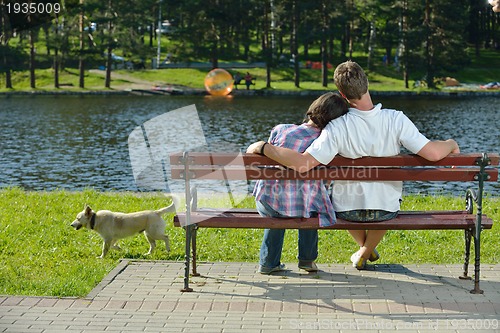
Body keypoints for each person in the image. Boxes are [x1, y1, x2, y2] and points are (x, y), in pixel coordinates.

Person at [247, 60, 460, 270]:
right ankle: (365, 251)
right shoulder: (396, 119)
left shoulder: (337, 126)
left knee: (342, 197)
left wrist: (265, 148)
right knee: (387, 199)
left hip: (346, 211)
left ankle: (364, 250)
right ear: (366, 83)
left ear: (341, 93)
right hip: (385, 210)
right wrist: (450, 143)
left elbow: (303, 163)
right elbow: (432, 153)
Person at [255, 92, 349, 274]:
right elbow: (327, 180)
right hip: (305, 208)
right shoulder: (325, 142)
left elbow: (264, 161)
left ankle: (268, 263)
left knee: (277, 202)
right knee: (312, 205)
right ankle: (307, 260)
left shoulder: (280, 129)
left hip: (268, 204)